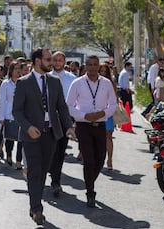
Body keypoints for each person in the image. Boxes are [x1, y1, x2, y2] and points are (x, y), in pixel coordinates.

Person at [12, 48, 75, 225]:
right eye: (48, 59)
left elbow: (61, 107)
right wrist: (28, 127)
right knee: (34, 171)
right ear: (38, 61)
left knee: (43, 172)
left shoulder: (55, 82)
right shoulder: (23, 83)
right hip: (31, 135)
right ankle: (37, 208)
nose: (52, 63)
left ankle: (34, 204)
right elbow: (16, 110)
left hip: (50, 134)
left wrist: (69, 127)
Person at [66, 55, 117, 208]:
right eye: (90, 64)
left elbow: (113, 104)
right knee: (89, 160)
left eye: (95, 64)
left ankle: (89, 181)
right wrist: (83, 116)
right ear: (85, 66)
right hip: (84, 126)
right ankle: (90, 192)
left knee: (100, 159)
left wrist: (103, 113)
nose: (93, 67)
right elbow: (68, 105)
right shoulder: (77, 83)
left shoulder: (106, 83)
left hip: (100, 125)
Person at [47, 51, 76, 197]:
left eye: (60, 60)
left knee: (60, 150)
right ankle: (50, 172)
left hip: (65, 119)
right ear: (51, 61)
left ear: (64, 62)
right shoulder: (46, 77)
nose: (58, 63)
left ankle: (56, 181)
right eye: (55, 60)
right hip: (48, 119)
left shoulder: (72, 79)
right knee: (49, 150)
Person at [0, 61, 23, 169]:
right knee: (10, 138)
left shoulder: (24, 83)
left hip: (22, 115)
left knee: (21, 139)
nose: (17, 71)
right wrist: (1, 116)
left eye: (19, 69)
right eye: (15, 68)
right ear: (11, 70)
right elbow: (2, 101)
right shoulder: (6, 84)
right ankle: (8, 155)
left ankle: (18, 160)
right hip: (9, 114)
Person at [99, 63, 118, 170]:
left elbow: (114, 99)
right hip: (96, 112)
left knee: (108, 137)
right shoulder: (94, 82)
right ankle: (100, 159)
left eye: (104, 71)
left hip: (108, 113)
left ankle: (109, 159)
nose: (102, 73)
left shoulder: (111, 83)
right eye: (100, 71)